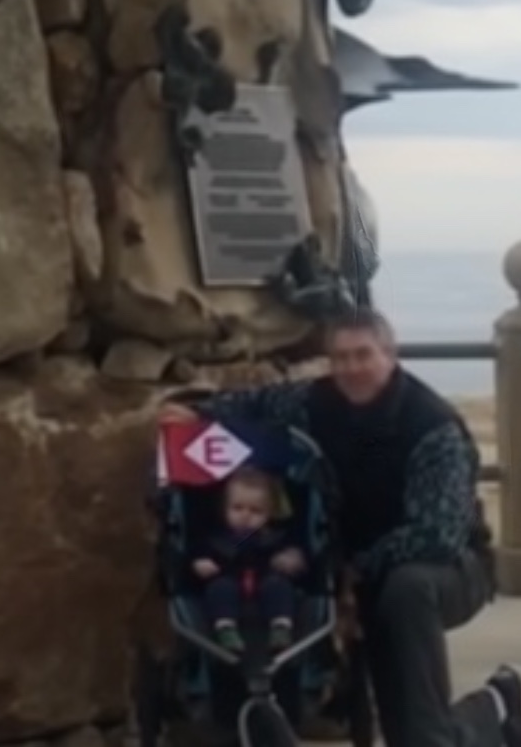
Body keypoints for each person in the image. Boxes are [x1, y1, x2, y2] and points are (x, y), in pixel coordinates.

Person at [172, 309, 520, 747]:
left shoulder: (433, 427)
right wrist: (191, 412)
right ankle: (491, 705)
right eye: (340, 358)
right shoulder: (315, 401)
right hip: (363, 567)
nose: (351, 369)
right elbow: (254, 403)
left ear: (390, 356)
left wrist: (353, 571)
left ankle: (471, 718)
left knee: (404, 594)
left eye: (363, 355)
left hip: (449, 569)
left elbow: (436, 536)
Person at [191, 465, 306, 658]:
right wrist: (200, 564)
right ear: (224, 509)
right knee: (220, 589)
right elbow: (198, 555)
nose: (246, 516)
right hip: (228, 582)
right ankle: (226, 630)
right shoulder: (216, 539)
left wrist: (293, 559)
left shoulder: (277, 537)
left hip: (267, 582)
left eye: (256, 511)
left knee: (279, 587)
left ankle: (281, 628)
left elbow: (299, 557)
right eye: (237, 508)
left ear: (269, 513)